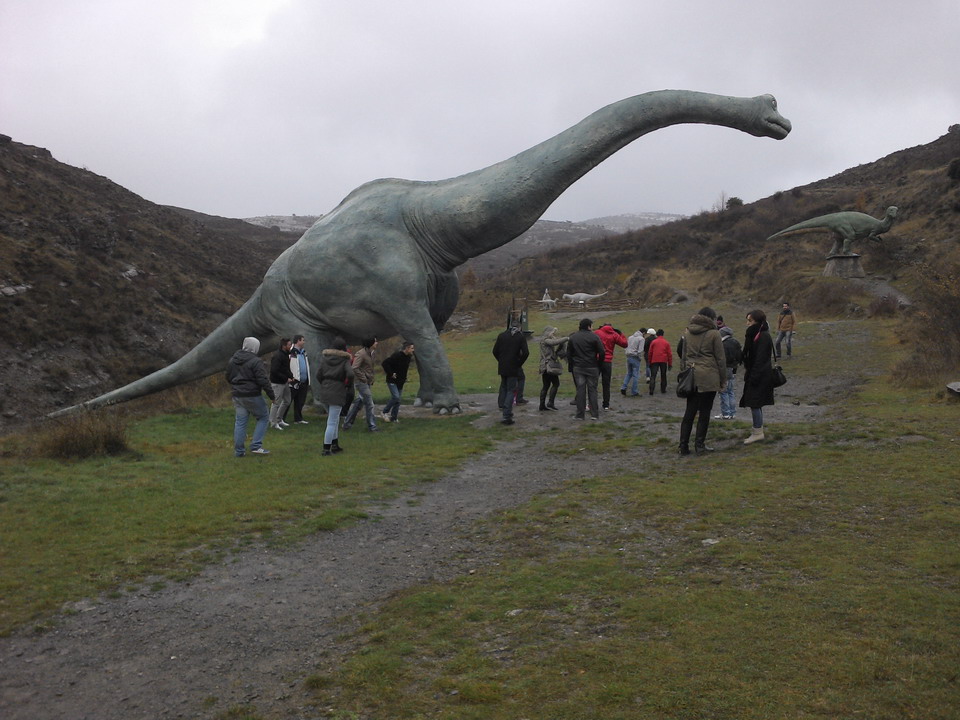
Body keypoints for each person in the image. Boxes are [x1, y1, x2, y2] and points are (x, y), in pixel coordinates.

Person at [677, 307, 727, 456]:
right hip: (708, 376)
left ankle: (683, 446)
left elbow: (683, 356)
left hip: (691, 376)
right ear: (711, 318)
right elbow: (720, 359)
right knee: (704, 412)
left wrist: (684, 373)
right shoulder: (714, 334)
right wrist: (723, 379)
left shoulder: (687, 333)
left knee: (689, 412)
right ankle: (700, 445)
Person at [225, 337, 276, 457]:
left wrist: (236, 386)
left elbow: (228, 376)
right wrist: (272, 395)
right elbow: (263, 380)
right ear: (255, 348)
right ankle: (256, 445)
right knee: (263, 417)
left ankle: (239, 451)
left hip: (237, 394)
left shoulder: (233, 360)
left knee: (240, 422)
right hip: (252, 394)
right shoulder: (255, 361)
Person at [740, 309, 776, 444]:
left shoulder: (763, 336)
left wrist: (754, 376)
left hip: (759, 375)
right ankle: (757, 430)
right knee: (755, 403)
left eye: (750, 320)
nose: (747, 323)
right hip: (756, 374)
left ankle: (758, 432)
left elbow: (761, 359)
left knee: (754, 403)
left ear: (757, 321)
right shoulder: (755, 335)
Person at [316, 337, 354, 456]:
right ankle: (326, 449)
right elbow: (350, 374)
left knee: (334, 419)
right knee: (332, 422)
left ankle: (335, 444)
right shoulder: (344, 360)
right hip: (337, 390)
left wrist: (324, 383)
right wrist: (347, 385)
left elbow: (318, 374)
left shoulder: (325, 358)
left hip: (325, 390)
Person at [492, 320, 529, 425]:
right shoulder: (520, 337)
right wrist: (519, 363)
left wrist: (501, 360)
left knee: (504, 386)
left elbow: (494, 351)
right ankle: (506, 415)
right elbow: (526, 353)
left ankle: (502, 405)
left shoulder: (501, 336)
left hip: (503, 366)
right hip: (513, 366)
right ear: (519, 327)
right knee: (511, 390)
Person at [567, 318, 605, 420]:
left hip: (578, 367)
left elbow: (569, 353)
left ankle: (580, 414)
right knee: (592, 390)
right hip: (592, 366)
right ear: (588, 326)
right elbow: (602, 352)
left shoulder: (573, 337)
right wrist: (599, 364)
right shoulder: (594, 337)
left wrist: (572, 364)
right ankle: (594, 414)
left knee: (580, 390)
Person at [343, 337, 379, 431]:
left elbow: (369, 368)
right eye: (375, 341)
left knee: (358, 403)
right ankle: (372, 426)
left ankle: (347, 423)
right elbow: (355, 367)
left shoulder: (372, 353)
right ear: (370, 343)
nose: (377, 343)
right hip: (361, 382)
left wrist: (370, 378)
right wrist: (363, 378)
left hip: (367, 382)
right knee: (370, 404)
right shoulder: (361, 353)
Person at [594, 323, 627, 410]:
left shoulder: (597, 332)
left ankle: (592, 403)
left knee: (593, 383)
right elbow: (625, 344)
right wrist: (621, 334)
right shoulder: (614, 334)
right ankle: (606, 404)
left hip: (597, 359)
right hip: (607, 361)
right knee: (606, 384)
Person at [381, 341, 415, 423]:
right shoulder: (397, 355)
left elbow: (403, 369)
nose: (413, 350)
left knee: (398, 401)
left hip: (400, 382)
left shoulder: (408, 357)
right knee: (395, 397)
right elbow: (385, 363)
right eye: (412, 348)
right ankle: (384, 412)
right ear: (407, 348)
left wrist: (404, 378)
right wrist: (391, 373)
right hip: (392, 380)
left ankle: (394, 418)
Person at [538, 326, 569, 411]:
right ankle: (550, 403)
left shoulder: (545, 340)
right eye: (552, 332)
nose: (553, 334)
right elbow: (555, 342)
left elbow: (556, 342)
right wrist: (567, 338)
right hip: (548, 366)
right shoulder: (545, 340)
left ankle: (542, 405)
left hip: (545, 366)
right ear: (548, 332)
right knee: (555, 384)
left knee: (546, 385)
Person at [716, 325, 742, 420]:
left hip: (725, 369)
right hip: (733, 369)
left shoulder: (723, 344)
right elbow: (740, 356)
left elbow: (721, 359)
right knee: (730, 392)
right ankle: (732, 413)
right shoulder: (736, 342)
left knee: (723, 391)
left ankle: (725, 413)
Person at [268, 338, 294, 430]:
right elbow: (274, 370)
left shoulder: (286, 355)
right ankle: (273, 422)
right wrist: (286, 378)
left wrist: (291, 376)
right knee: (276, 402)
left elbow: (285, 368)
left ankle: (279, 419)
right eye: (289, 345)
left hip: (284, 382)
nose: (290, 346)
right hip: (277, 382)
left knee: (287, 400)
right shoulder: (277, 356)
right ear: (284, 346)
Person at [288, 334, 311, 424]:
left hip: (303, 381)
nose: (304, 342)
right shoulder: (291, 352)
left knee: (300, 401)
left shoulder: (304, 352)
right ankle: (280, 418)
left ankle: (298, 419)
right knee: (288, 401)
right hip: (294, 381)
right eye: (303, 340)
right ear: (298, 341)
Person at [647, 329, 673, 394]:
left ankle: (651, 389)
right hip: (663, 360)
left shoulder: (653, 342)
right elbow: (669, 354)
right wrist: (670, 364)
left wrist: (649, 361)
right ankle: (663, 389)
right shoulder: (666, 342)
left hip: (654, 360)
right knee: (663, 375)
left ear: (657, 334)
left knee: (653, 375)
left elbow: (650, 352)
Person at [620, 329, 645, 397]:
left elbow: (626, 346)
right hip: (635, 357)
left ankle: (623, 387)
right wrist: (639, 358)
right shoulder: (641, 339)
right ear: (643, 333)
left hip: (628, 356)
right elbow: (640, 350)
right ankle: (634, 391)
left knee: (629, 373)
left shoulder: (630, 337)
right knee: (635, 375)